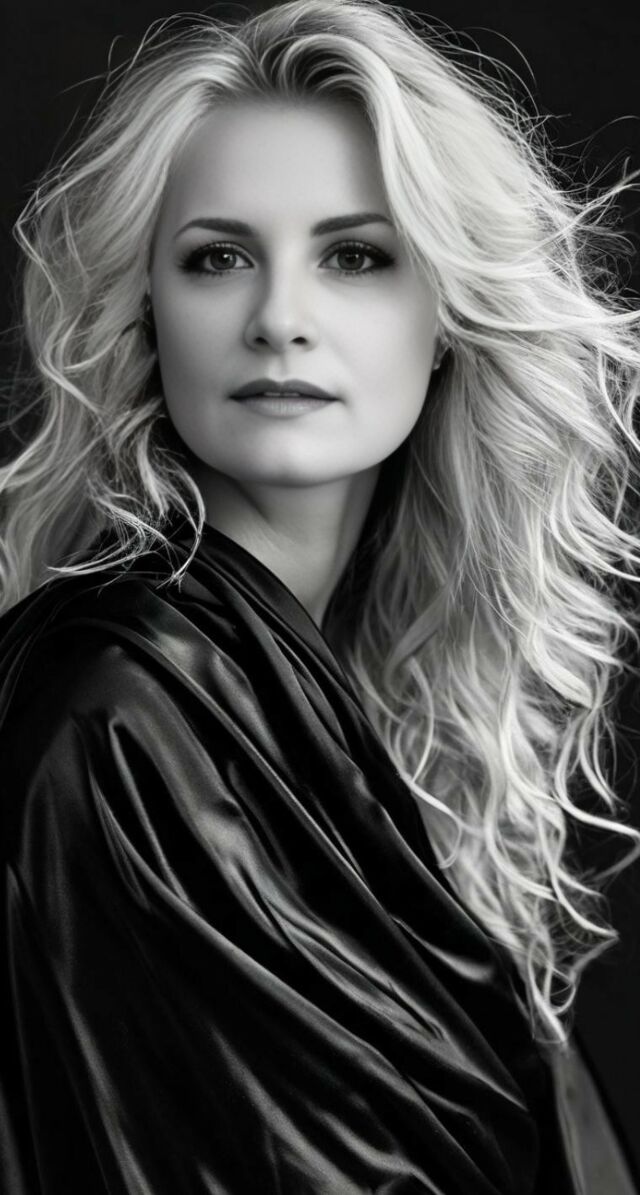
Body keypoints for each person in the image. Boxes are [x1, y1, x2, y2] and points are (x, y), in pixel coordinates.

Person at [1, 0, 640, 1190]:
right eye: (217, 258)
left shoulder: (351, 684)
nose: (279, 321)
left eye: (354, 256)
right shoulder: (121, 721)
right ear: (145, 312)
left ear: (445, 317)